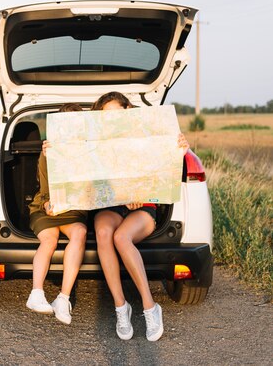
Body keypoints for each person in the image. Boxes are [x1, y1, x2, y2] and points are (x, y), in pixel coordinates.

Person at [91, 91, 189, 341]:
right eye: (107, 116)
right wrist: (51, 151)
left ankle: (149, 306)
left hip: (143, 203)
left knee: (122, 238)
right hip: (112, 204)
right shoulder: (96, 144)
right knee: (104, 233)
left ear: (127, 109)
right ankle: (121, 307)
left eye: (116, 113)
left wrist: (179, 150)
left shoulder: (147, 136)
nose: (112, 120)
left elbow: (165, 167)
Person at [25, 103, 88, 325]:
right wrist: (47, 205)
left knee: (80, 233)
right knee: (49, 240)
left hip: (74, 210)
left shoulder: (88, 152)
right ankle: (36, 293)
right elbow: (44, 187)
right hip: (47, 206)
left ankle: (63, 298)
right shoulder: (48, 150)